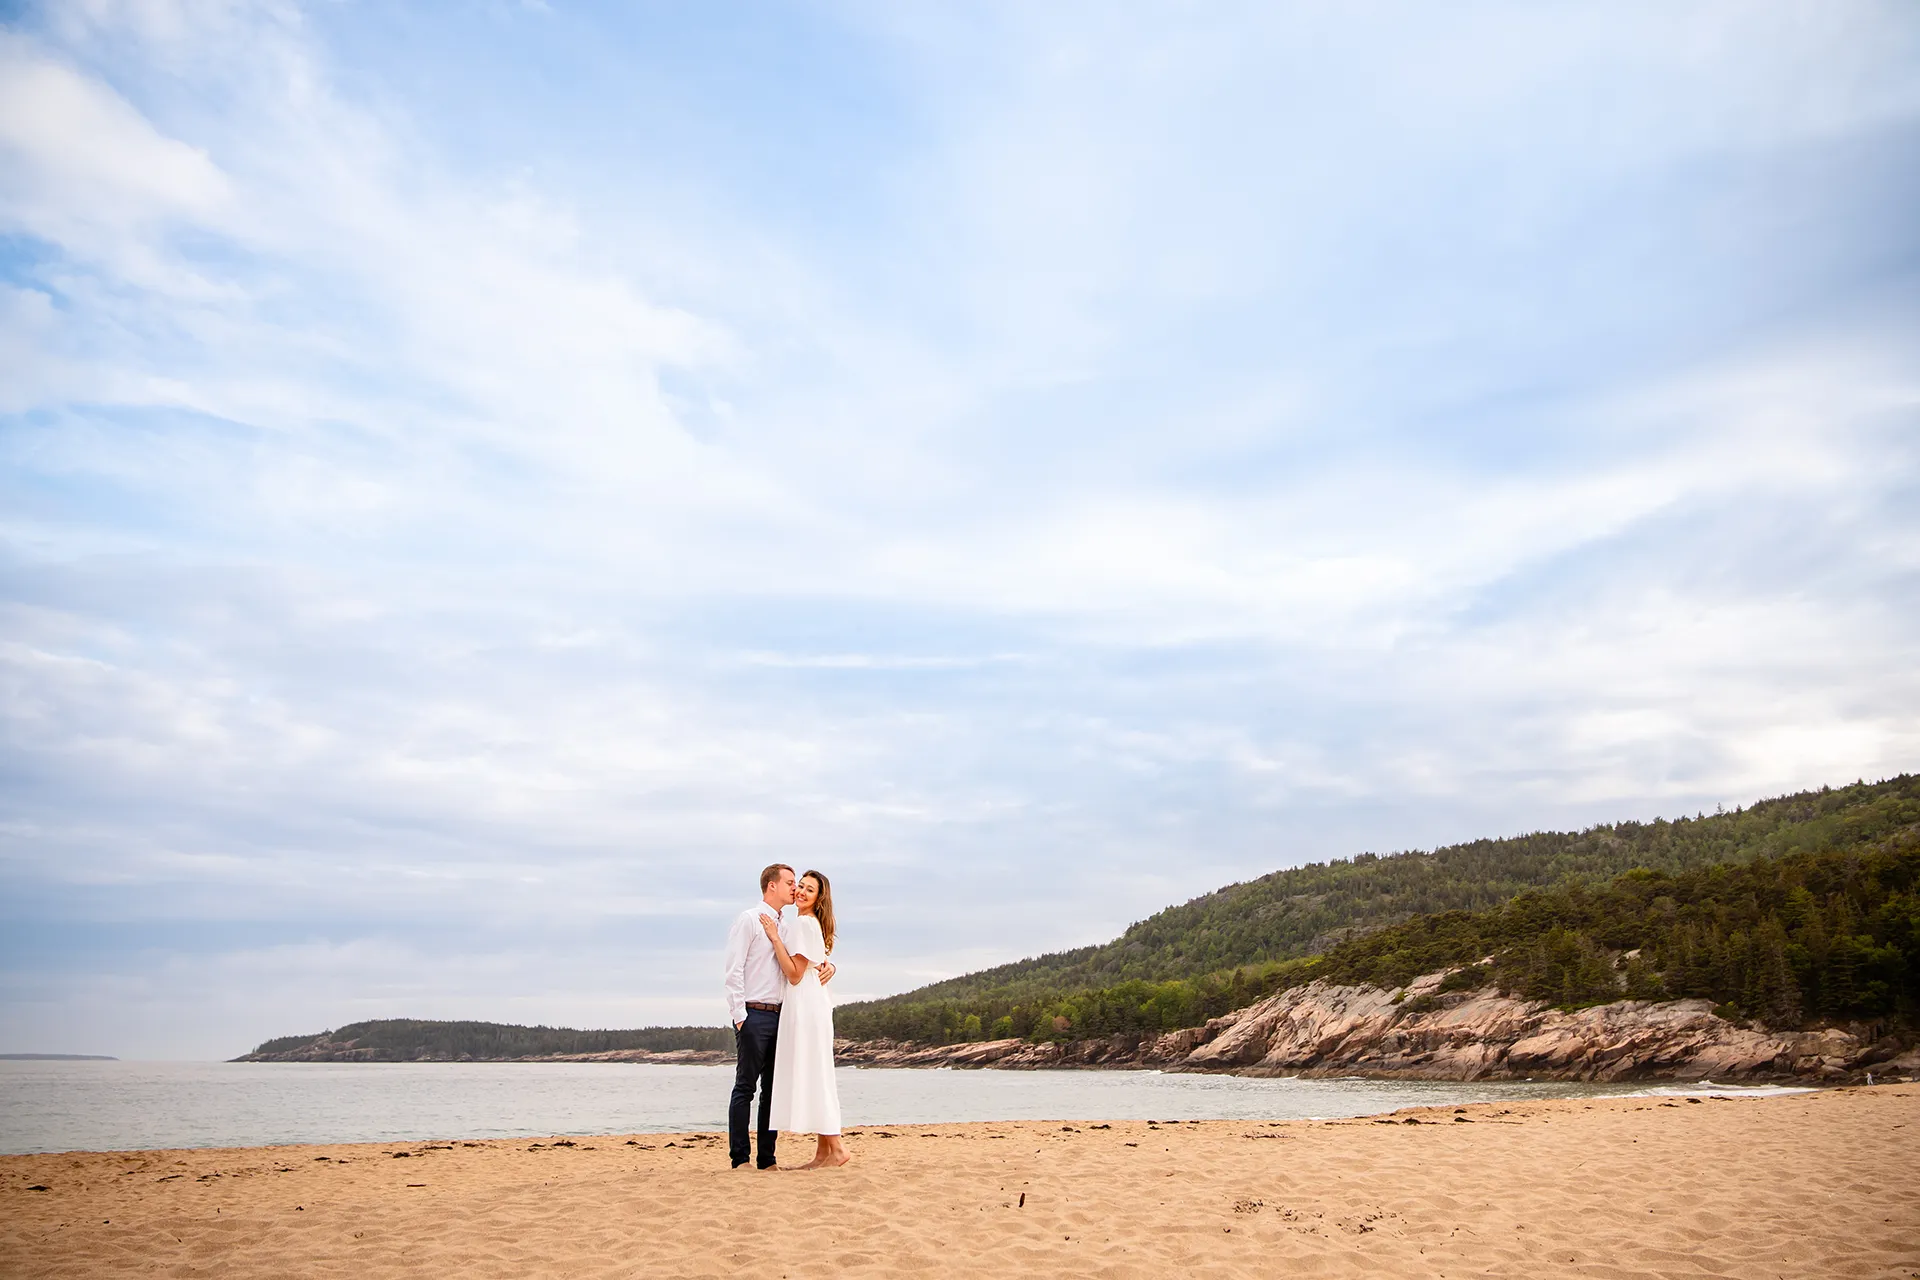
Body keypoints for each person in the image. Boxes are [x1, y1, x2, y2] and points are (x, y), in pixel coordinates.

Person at [722, 863, 834, 1169]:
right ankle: (740, 1159)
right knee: (746, 1086)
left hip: (783, 1016)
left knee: (772, 1089)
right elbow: (733, 971)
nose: (795, 888)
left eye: (798, 884)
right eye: (790, 883)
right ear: (772, 886)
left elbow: (806, 958)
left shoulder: (788, 925)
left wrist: (830, 966)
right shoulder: (749, 920)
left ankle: (767, 1160)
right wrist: (740, 1015)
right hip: (754, 1013)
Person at [762, 869, 850, 1168]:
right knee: (817, 1073)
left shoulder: (802, 924)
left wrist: (774, 938)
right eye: (799, 886)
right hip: (813, 1003)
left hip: (805, 1005)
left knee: (815, 1074)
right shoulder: (808, 924)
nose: (800, 891)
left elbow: (796, 975)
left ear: (818, 898)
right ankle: (823, 1153)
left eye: (809, 890)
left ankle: (836, 1149)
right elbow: (814, 965)